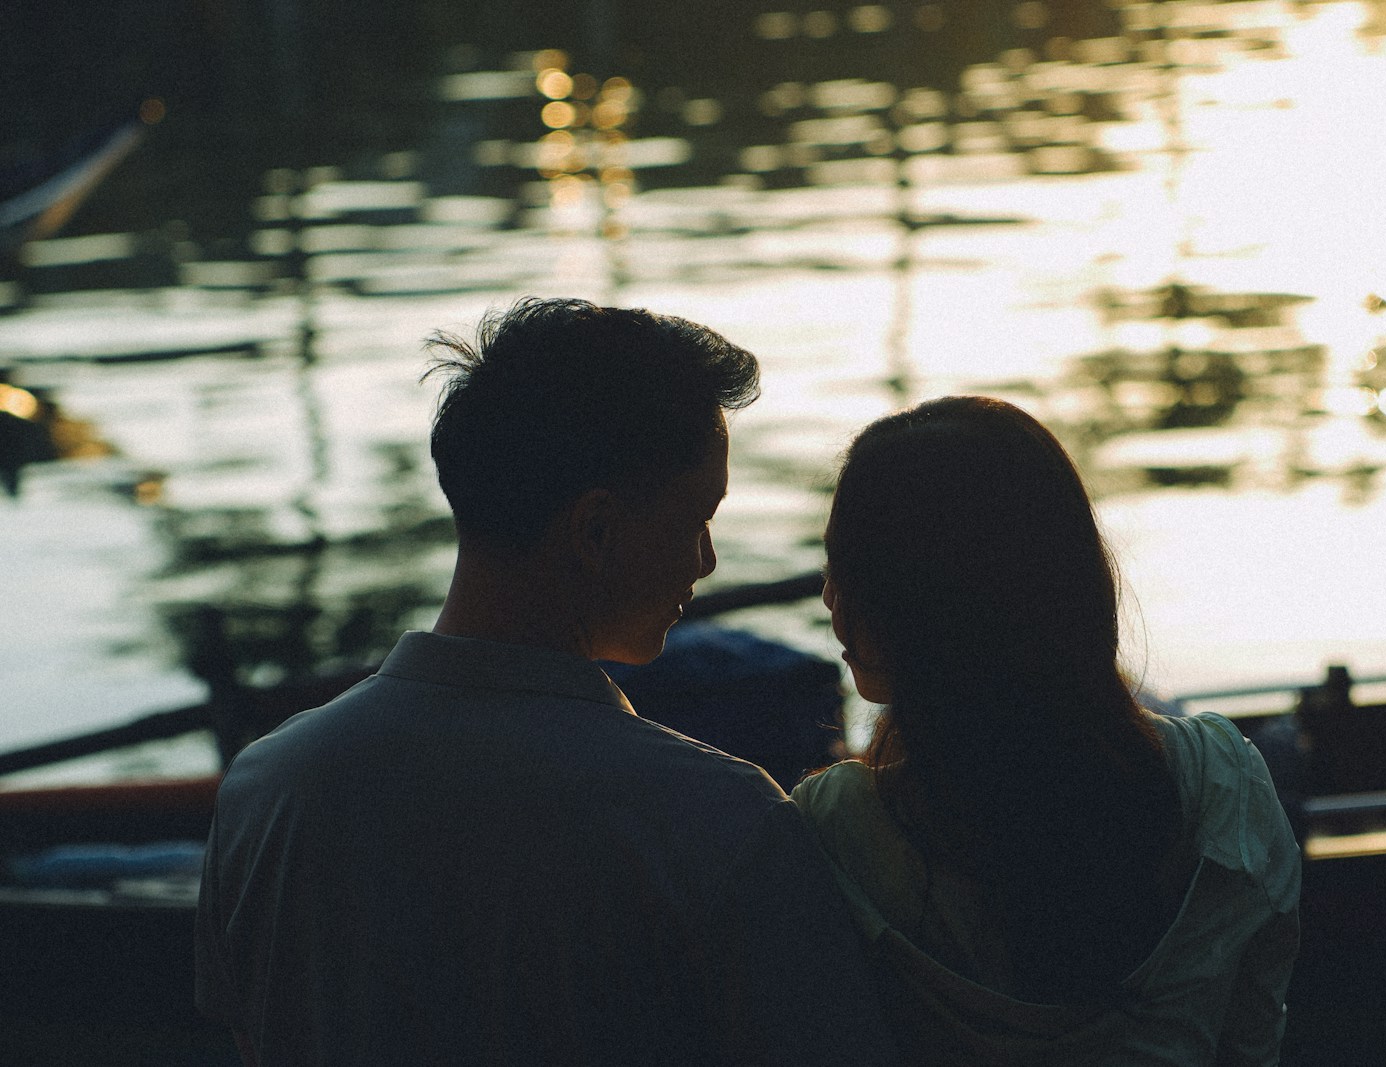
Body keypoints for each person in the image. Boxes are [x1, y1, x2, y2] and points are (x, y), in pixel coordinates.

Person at [195, 297, 897, 1066]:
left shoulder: (266, 792)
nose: (706, 561)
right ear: (595, 531)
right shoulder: (717, 822)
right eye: (697, 519)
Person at [792, 396, 1300, 1065]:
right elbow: (1252, 1042)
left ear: (912, 608)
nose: (830, 596)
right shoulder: (1225, 785)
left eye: (846, 569)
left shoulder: (831, 831)